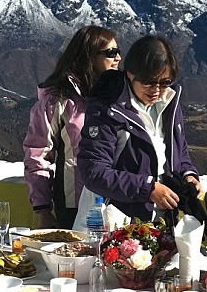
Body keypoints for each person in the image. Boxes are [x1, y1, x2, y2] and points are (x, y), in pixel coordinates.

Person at [77, 34, 200, 223]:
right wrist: (147, 188)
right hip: (114, 220)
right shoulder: (107, 108)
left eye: (165, 82)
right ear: (130, 74)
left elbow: (178, 153)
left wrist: (188, 175)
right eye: (149, 82)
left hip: (164, 218)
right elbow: (94, 171)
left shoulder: (170, 103)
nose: (157, 90)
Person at [23, 25, 120, 228]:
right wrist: (43, 208)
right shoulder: (57, 100)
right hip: (73, 205)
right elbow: (38, 154)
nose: (118, 58)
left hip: (117, 201)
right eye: (111, 53)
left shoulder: (119, 96)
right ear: (89, 57)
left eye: (118, 52)